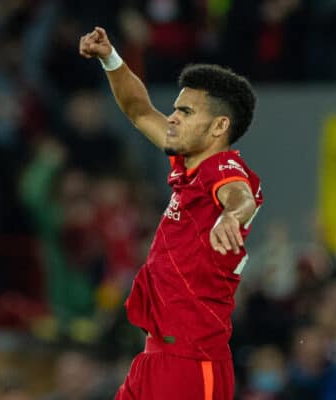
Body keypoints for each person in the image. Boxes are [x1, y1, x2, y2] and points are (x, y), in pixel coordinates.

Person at [79, 27, 263, 400]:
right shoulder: (190, 166)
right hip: (153, 358)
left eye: (185, 111)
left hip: (193, 365)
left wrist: (231, 216)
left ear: (219, 126)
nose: (173, 117)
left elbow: (240, 197)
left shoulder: (225, 169)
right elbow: (138, 109)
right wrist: (110, 58)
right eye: (177, 108)